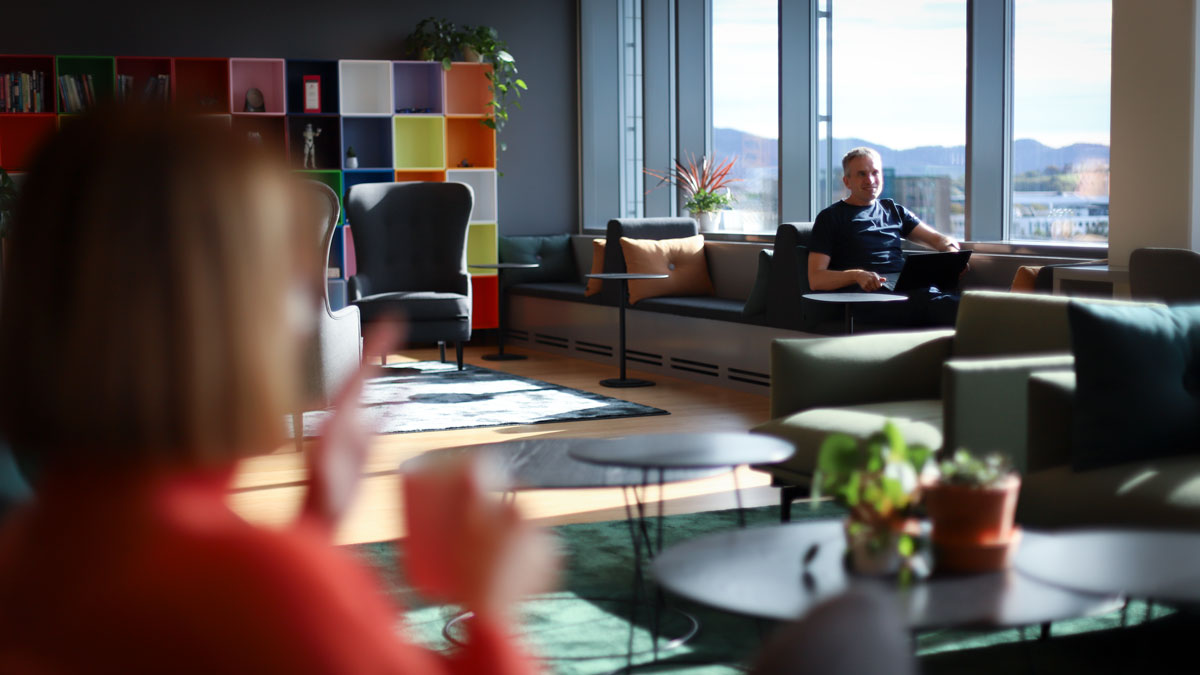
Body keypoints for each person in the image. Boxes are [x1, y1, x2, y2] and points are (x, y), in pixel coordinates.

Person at [0, 106, 555, 673]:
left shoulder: (26, 554)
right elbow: (250, 611)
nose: (294, 322)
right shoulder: (261, 586)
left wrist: (314, 522)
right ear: (211, 321)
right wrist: (489, 606)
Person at [808, 147, 963, 327]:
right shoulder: (831, 217)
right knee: (962, 308)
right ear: (847, 181)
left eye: (875, 173)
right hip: (870, 299)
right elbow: (816, 279)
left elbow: (940, 240)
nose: (870, 180)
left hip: (909, 291)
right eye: (862, 174)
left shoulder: (893, 210)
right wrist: (856, 275)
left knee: (967, 302)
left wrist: (953, 256)